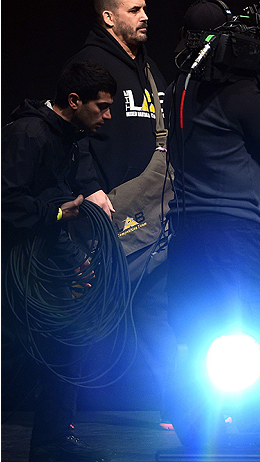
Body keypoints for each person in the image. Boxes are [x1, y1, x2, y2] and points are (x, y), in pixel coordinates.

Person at [164, 0, 260, 445]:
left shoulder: (179, 87)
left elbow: (228, 125)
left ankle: (195, 436)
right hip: (234, 231)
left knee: (194, 332)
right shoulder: (238, 93)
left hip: (188, 230)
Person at [68, 0, 177, 429]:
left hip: (155, 218)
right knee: (86, 316)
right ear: (108, 17)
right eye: (134, 9)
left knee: (158, 313)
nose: (145, 16)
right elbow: (69, 131)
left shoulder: (152, 71)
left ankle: (180, 408)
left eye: (146, 8)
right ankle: (60, 416)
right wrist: (89, 187)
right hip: (106, 214)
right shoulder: (87, 64)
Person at [1, 60, 116, 462]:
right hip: (15, 273)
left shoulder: (69, 138)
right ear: (73, 100)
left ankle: (53, 442)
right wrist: (55, 215)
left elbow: (60, 203)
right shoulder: (29, 133)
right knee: (19, 357)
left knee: (66, 347)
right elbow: (8, 202)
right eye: (101, 106)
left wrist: (75, 258)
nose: (107, 114)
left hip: (45, 267)